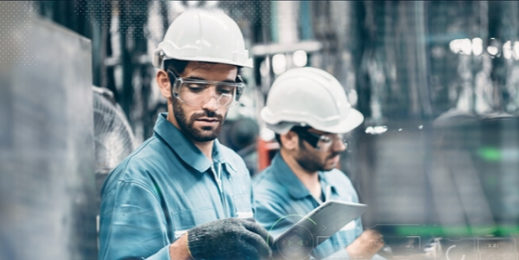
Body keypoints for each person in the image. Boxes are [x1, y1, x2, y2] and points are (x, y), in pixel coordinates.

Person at [99, 9, 272, 260]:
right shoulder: (136, 181)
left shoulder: (235, 169)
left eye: (225, 89)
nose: (212, 104)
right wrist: (185, 250)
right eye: (196, 87)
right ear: (165, 83)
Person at [253, 67, 384, 259]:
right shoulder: (264, 203)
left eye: (340, 136)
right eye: (325, 139)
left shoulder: (339, 183)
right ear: (289, 138)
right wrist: (356, 253)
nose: (339, 147)